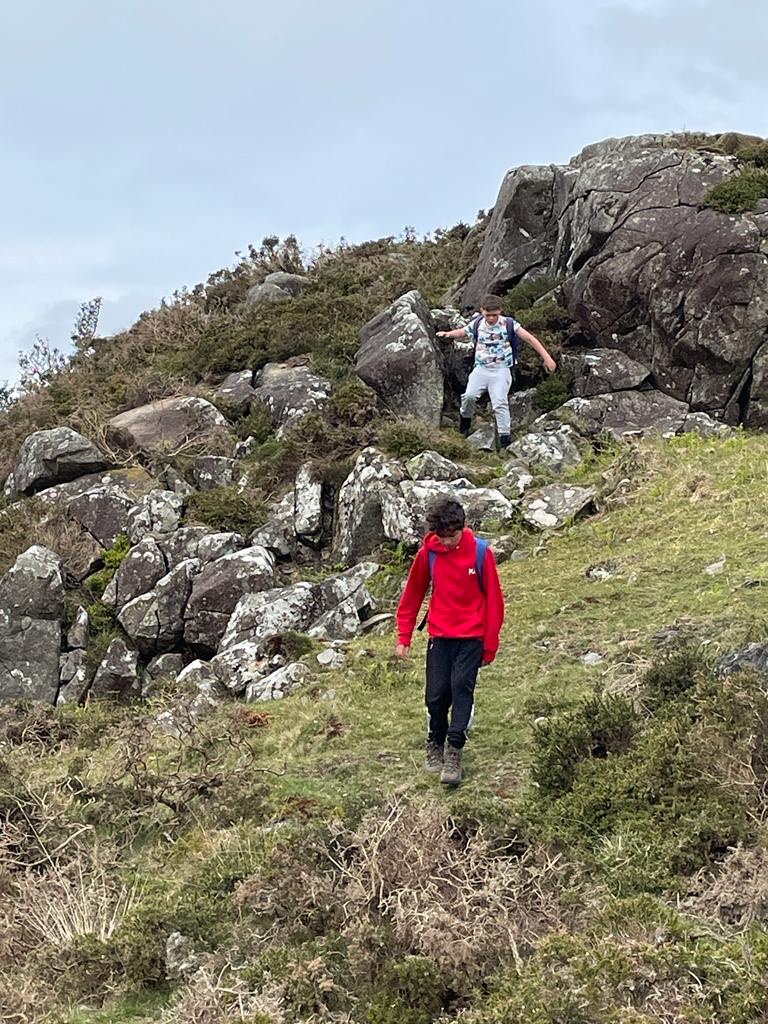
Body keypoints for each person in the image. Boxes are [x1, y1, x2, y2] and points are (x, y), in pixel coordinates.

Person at [395, 498, 504, 786]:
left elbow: (495, 602)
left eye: (451, 537)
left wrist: (489, 646)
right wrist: (404, 636)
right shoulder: (428, 554)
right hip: (440, 637)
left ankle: (454, 749)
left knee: (461, 688)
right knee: (436, 696)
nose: (446, 542)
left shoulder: (481, 553)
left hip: (472, 638)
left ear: (463, 527)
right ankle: (435, 741)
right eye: (441, 537)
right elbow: (412, 594)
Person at [437, 293, 557, 450]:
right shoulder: (478, 323)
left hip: (501, 370)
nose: (491, 318)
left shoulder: (509, 324)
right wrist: (448, 334)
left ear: (500, 311)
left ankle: (504, 440)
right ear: (482, 311)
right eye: (488, 315)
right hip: (481, 369)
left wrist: (547, 358)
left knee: (500, 403)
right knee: (469, 396)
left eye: (494, 315)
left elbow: (530, 338)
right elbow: (463, 332)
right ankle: (464, 425)